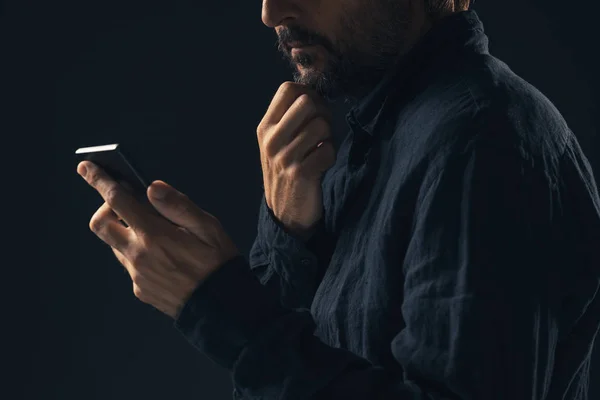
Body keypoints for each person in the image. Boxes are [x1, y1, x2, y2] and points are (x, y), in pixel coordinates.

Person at [76, 0, 600, 399]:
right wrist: (290, 238)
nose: (271, 11)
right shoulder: (383, 131)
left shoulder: (481, 143)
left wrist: (215, 304)